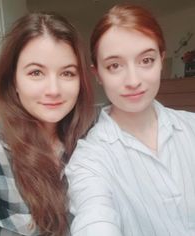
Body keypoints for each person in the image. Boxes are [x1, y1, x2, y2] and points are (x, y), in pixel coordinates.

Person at [0, 12, 94, 236]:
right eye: (36, 72)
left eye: (67, 73)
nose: (53, 89)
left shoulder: (92, 146)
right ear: (14, 81)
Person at [65, 4, 195, 236]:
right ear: (98, 75)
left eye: (146, 60)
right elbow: (93, 216)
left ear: (161, 61)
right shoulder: (89, 160)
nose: (133, 80)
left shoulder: (192, 126)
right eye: (115, 66)